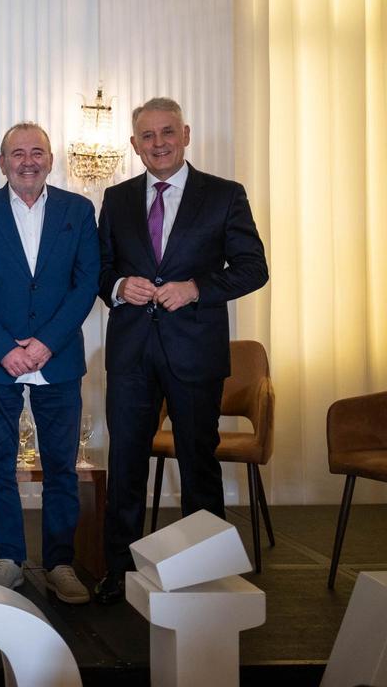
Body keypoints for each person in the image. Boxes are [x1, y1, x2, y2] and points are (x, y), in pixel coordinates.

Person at [94, 97, 268, 604]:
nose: (158, 143)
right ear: (133, 145)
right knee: (125, 465)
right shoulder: (117, 197)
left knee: (199, 467)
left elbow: (253, 267)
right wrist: (121, 284)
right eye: (147, 136)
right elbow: (101, 271)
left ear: (186, 134)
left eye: (167, 132)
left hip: (195, 352)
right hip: (130, 354)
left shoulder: (224, 195)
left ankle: (203, 574)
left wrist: (196, 288)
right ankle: (118, 573)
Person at [0, 122, 100, 604]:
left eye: (37, 152)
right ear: (2, 163)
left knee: (62, 467)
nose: (28, 161)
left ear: (51, 159)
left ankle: (60, 563)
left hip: (57, 361)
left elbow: (86, 284)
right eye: (17, 153)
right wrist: (7, 348)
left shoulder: (78, 211)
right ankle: (10, 561)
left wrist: (45, 344)